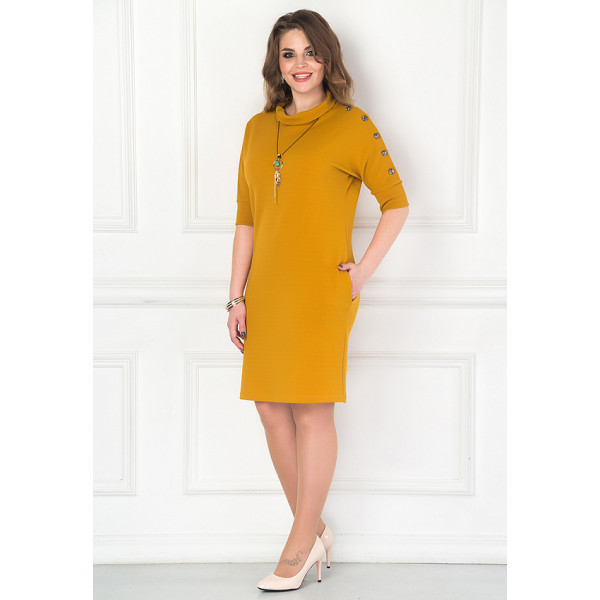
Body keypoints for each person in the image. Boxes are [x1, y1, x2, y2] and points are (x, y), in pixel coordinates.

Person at [226, 9, 409, 591]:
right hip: (267, 291)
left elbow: (396, 203)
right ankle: (316, 530)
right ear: (276, 65)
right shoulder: (258, 130)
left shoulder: (352, 125)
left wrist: (362, 273)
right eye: (289, 54)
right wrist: (235, 298)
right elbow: (247, 220)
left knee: (310, 410)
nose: (300, 64)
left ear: (328, 58)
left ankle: (299, 546)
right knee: (269, 407)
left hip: (322, 293)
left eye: (311, 52)